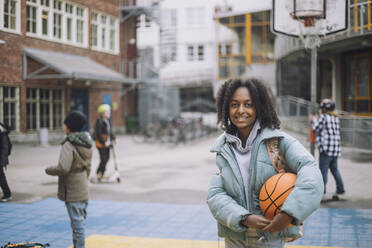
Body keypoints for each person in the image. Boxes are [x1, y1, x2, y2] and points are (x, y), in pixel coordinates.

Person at [207, 78, 324, 247]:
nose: (241, 110)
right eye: (234, 104)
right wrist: (244, 218)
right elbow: (215, 194)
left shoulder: (278, 142)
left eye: (248, 104)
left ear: (259, 107)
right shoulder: (223, 147)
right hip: (235, 236)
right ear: (226, 108)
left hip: (269, 235)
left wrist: (289, 213)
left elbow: (311, 172)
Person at [45, 111, 92, 248]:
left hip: (72, 190)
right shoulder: (87, 142)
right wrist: (84, 179)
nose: (64, 127)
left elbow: (63, 168)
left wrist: (49, 170)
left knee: (77, 226)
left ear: (69, 127)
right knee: (79, 223)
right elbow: (88, 166)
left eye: (65, 124)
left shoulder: (69, 144)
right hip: (83, 187)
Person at [310, 98, 345, 196]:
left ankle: (322, 191)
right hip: (335, 150)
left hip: (326, 150)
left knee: (323, 171)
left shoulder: (324, 117)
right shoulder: (336, 118)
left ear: (324, 109)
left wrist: (313, 120)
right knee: (335, 170)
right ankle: (340, 189)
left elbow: (315, 128)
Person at [94, 104, 115, 180]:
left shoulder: (107, 121)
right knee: (103, 159)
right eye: (107, 112)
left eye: (109, 112)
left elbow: (110, 131)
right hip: (101, 143)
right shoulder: (99, 122)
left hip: (107, 143)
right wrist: (104, 142)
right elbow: (98, 134)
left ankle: (102, 173)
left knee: (107, 158)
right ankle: (99, 172)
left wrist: (114, 138)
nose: (109, 113)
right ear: (102, 113)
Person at [0, 122, 12, 202]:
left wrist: (2, 162)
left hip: (0, 160)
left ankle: (7, 194)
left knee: (1, 178)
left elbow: (5, 149)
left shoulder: (2, 133)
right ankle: (7, 194)